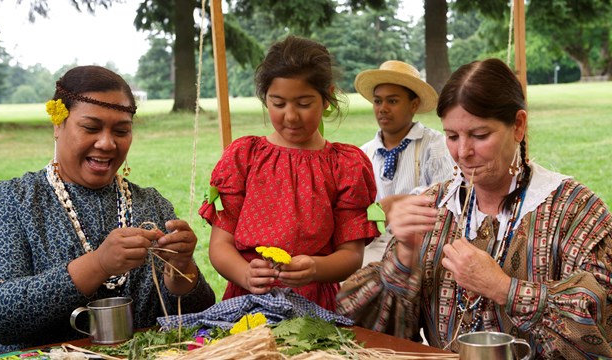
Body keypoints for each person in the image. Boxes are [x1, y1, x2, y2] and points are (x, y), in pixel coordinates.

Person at [336, 58, 612, 358]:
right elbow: (375, 331)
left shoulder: (575, 211)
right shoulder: (434, 207)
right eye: (452, 136)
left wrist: (505, 288)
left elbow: (599, 317)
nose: (463, 153)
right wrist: (404, 258)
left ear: (518, 125)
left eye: (480, 135)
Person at [0, 66, 215, 355]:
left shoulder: (152, 204)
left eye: (121, 131)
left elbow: (197, 314)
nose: (107, 143)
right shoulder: (15, 201)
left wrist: (182, 271)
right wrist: (98, 264)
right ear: (58, 125)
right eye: (91, 128)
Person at [199, 35, 380, 312]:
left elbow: (351, 256)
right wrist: (245, 274)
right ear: (265, 99)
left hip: (313, 308)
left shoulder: (346, 166)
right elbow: (220, 246)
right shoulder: (244, 157)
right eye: (278, 103)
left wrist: (316, 267)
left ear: (327, 97)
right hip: (246, 301)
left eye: (304, 103)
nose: (291, 116)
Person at [355, 61, 455, 266]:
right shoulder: (365, 153)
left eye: (392, 101)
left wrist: (399, 202)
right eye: (377, 101)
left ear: (414, 104)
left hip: (420, 244)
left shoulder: (433, 146)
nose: (382, 109)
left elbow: (448, 197)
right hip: (373, 245)